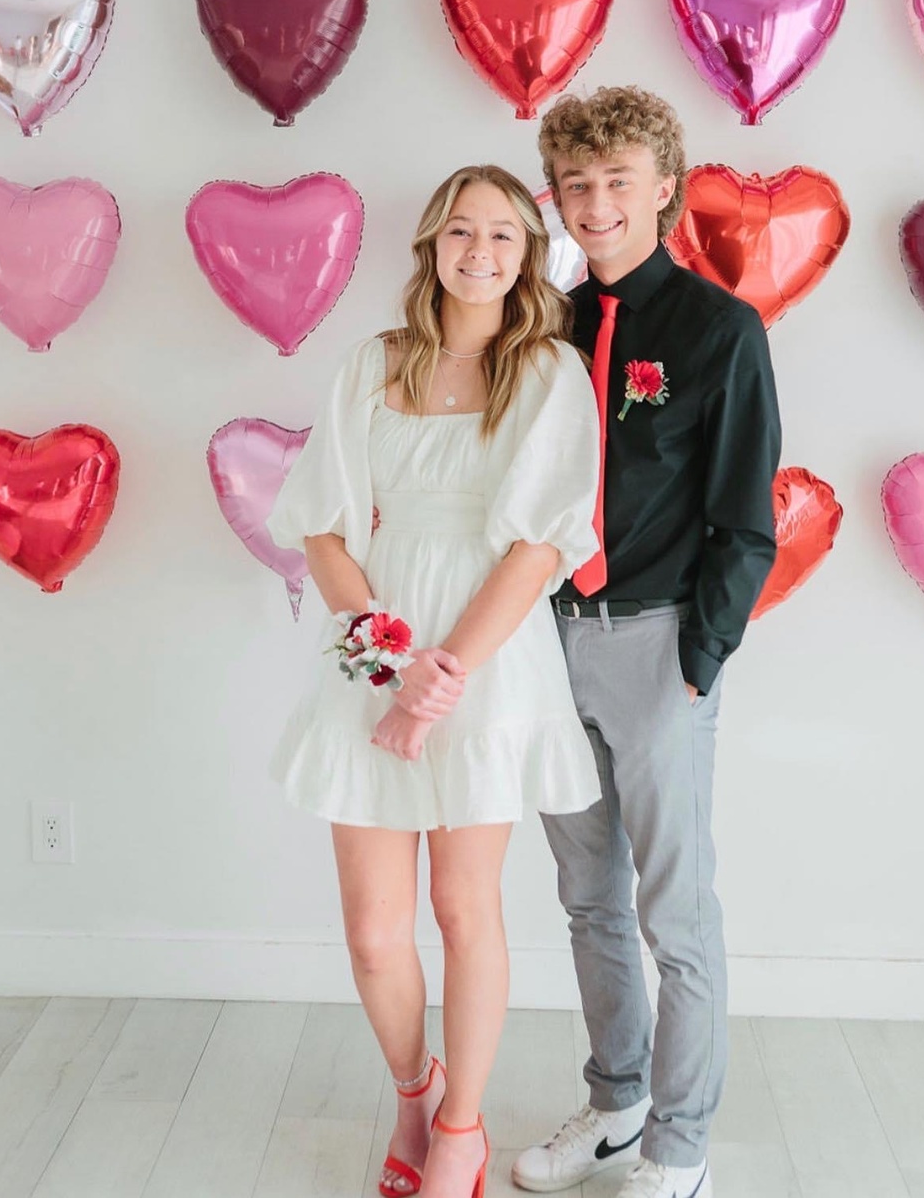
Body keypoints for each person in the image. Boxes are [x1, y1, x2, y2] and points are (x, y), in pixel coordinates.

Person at [266, 165, 602, 1198]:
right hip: (376, 643)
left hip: (487, 655)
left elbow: (541, 546)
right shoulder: (372, 364)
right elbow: (322, 528)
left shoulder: (546, 371)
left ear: (526, 255)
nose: (480, 251)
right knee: (374, 933)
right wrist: (390, 662)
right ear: (431, 246)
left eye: (502, 234)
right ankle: (416, 1090)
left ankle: (461, 1129)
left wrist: (442, 675)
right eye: (462, 231)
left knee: (463, 908)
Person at [511, 88, 782, 1198]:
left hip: (658, 646)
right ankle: (615, 1104)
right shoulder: (544, 327)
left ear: (662, 187)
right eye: (576, 184)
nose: (596, 203)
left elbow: (745, 517)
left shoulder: (720, 331)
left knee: (677, 910)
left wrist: (698, 660)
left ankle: (678, 1146)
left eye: (617, 180)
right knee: (588, 898)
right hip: (547, 642)